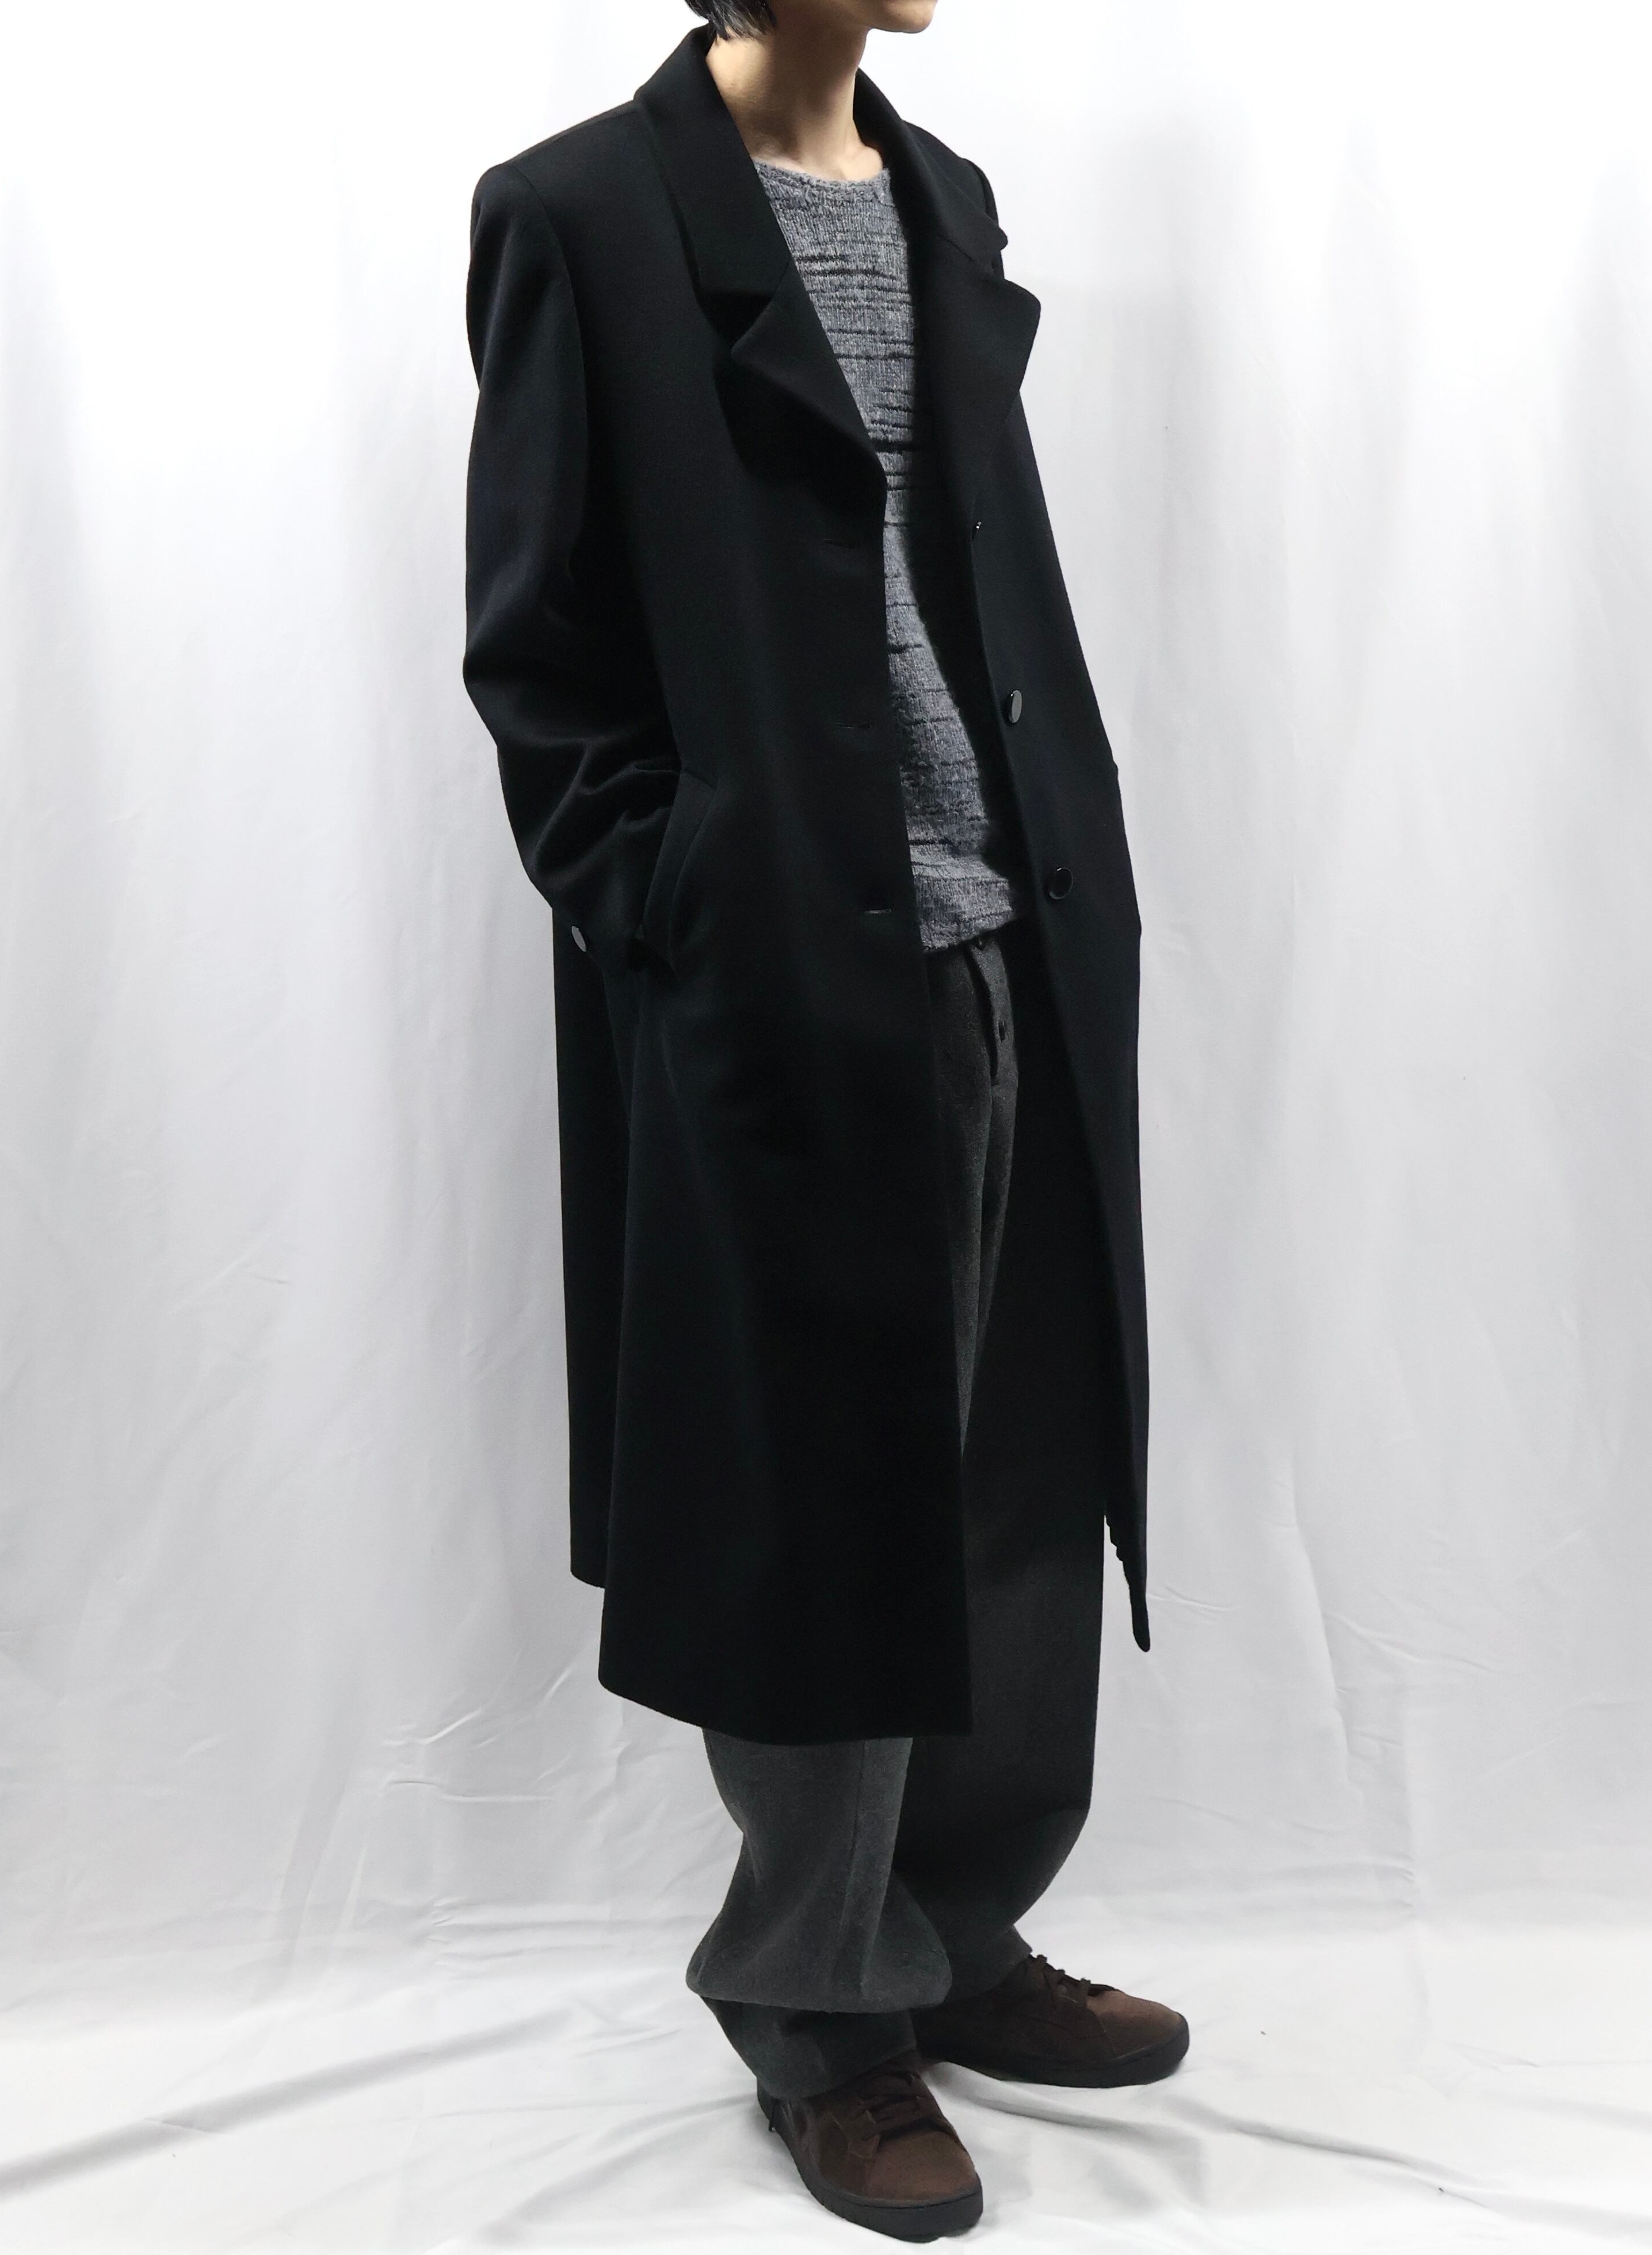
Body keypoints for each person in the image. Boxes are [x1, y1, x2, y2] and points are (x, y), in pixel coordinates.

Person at [463, 0, 1186, 2235]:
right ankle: (816, 2007)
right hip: (786, 975)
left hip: (1017, 932)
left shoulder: (943, 195)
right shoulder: (584, 213)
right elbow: (537, 652)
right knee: (815, 1513)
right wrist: (683, 907)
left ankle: (956, 1932)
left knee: (1016, 1469)